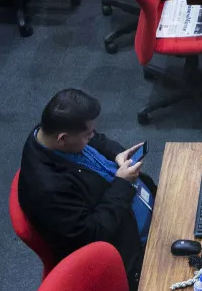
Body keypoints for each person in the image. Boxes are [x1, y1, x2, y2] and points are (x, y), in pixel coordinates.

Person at [17, 87, 155, 280]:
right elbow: (94, 234)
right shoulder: (49, 190)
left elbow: (97, 140)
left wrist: (117, 153)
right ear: (62, 139)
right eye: (87, 134)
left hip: (137, 203)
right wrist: (123, 184)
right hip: (132, 249)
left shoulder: (48, 132)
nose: (92, 136)